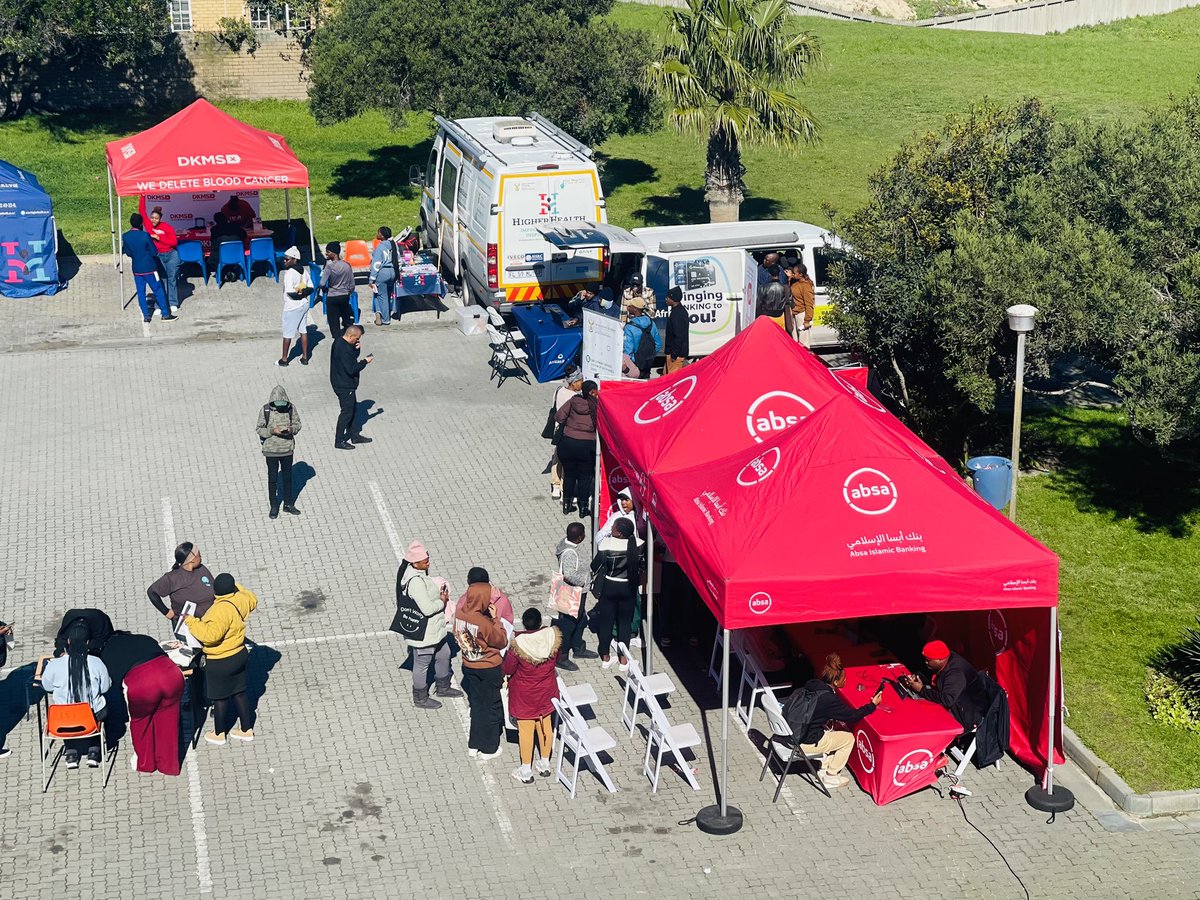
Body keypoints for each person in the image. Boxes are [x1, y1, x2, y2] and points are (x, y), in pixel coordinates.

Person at [184, 573, 258, 746]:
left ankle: (219, 733)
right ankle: (246, 730)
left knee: (220, 698)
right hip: (239, 654)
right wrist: (235, 586)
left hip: (220, 660)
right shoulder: (241, 600)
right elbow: (252, 598)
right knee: (239, 693)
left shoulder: (218, 610)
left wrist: (191, 622)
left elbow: (210, 636)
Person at [100, 631, 184, 775]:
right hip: (172, 676)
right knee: (168, 721)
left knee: (141, 723)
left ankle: (145, 763)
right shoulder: (145, 638)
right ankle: (169, 765)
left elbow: (111, 683)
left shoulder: (108, 651)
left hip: (143, 685)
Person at [796, 653, 882, 790]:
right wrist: (872, 705)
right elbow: (852, 716)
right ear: (835, 682)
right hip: (805, 741)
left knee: (835, 733)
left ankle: (824, 768)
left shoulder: (812, 685)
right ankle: (831, 776)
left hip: (794, 733)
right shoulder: (829, 699)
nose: (845, 681)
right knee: (848, 738)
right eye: (844, 679)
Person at [396, 540, 462, 709]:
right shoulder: (416, 582)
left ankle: (443, 686)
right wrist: (442, 601)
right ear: (415, 563)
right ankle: (420, 697)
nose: (428, 563)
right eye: (425, 561)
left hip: (435, 630)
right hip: (425, 633)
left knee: (444, 653)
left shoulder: (418, 574)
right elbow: (426, 609)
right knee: (422, 664)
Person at [40, 622, 111, 768]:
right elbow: (105, 688)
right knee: (103, 707)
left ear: (68, 642)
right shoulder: (96, 662)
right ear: (87, 643)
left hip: (62, 720)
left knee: (67, 711)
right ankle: (94, 751)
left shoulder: (54, 665)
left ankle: (71, 753)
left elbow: (46, 686)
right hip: (91, 718)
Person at [502, 608, 561, 784]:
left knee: (526, 731)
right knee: (546, 726)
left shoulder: (518, 645)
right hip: (546, 690)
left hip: (524, 695)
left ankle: (526, 769)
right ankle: (544, 763)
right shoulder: (551, 638)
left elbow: (508, 669)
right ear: (540, 623)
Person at [454, 579, 509, 759]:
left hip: (469, 664)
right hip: (489, 667)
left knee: (477, 704)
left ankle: (474, 743)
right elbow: (501, 640)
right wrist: (495, 619)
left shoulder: (460, 614)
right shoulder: (483, 622)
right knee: (492, 706)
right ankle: (490, 747)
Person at [901, 640, 989, 732]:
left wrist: (921, 690)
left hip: (967, 716)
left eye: (928, 660)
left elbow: (947, 700)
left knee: (924, 719)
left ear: (941, 659)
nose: (926, 662)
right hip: (956, 703)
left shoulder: (955, 673)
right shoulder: (945, 660)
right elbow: (935, 678)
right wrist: (918, 677)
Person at [590, 517, 642, 671]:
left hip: (609, 587)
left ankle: (605, 657)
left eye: (613, 527)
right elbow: (643, 566)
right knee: (624, 623)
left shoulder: (607, 544)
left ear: (619, 533)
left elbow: (595, 566)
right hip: (629, 587)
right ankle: (623, 659)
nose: (611, 529)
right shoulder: (639, 545)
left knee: (606, 622)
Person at [554, 522, 597, 670]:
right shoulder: (570, 553)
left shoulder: (568, 546)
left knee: (580, 619)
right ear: (579, 537)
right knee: (568, 624)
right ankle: (562, 656)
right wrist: (585, 581)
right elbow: (569, 574)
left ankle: (578, 647)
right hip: (573, 592)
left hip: (576, 592)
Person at [256, 385, 302, 519]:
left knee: (288, 478)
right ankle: (274, 506)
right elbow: (259, 429)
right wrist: (272, 431)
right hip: (271, 451)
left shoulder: (291, 408)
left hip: (287, 450)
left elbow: (298, 424)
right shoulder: (265, 410)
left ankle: (288, 504)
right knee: (273, 479)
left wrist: (291, 429)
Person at [555, 380, 598, 516]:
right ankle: (583, 508)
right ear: (592, 392)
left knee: (570, 475)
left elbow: (559, 417)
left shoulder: (574, 401)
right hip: (587, 446)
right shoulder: (596, 406)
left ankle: (567, 505)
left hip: (567, 444)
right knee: (585, 477)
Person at [122, 213, 174, 323]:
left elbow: (128, 252)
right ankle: (165, 314)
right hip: (150, 268)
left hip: (137, 269)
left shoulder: (125, 236)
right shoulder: (145, 236)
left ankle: (146, 316)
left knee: (141, 292)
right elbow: (154, 252)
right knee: (158, 290)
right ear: (141, 224)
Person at [147, 542, 216, 624]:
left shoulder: (201, 568)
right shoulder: (172, 578)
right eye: (199, 555)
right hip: (187, 627)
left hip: (210, 622)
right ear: (192, 559)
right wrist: (166, 612)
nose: (201, 557)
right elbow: (152, 592)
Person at [330, 323, 373, 450]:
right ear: (350, 335)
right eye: (357, 338)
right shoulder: (344, 351)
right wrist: (365, 361)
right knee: (346, 413)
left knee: (353, 409)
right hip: (344, 386)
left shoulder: (340, 342)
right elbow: (352, 369)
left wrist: (356, 349)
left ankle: (354, 435)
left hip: (341, 382)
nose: (358, 340)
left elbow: (351, 357)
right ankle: (339, 440)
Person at [548, 367, 582, 501]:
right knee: (568, 461)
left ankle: (555, 486)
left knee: (557, 457)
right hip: (570, 432)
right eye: (580, 380)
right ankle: (564, 489)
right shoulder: (576, 398)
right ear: (573, 383)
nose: (582, 383)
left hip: (558, 431)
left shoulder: (558, 391)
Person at [278, 246, 312, 366]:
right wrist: (303, 294)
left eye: (287, 259)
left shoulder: (289, 274)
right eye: (284, 258)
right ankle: (305, 357)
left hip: (292, 307)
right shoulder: (304, 271)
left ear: (294, 259)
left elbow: (290, 293)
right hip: (304, 305)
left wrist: (298, 295)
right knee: (303, 330)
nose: (284, 261)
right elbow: (311, 288)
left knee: (287, 334)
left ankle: (284, 359)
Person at [146, 207, 181, 314]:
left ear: (160, 218)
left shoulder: (167, 227)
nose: (153, 220)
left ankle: (173, 302)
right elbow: (142, 212)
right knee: (160, 280)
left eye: (156, 218)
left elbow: (174, 242)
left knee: (171, 279)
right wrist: (142, 196)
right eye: (152, 218)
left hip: (171, 255)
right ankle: (160, 304)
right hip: (159, 256)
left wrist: (159, 237)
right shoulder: (148, 226)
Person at [319, 242, 356, 340]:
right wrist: (349, 291)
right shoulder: (347, 265)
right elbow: (352, 283)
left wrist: (324, 288)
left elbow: (322, 283)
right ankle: (349, 335)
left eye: (328, 252)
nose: (326, 254)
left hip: (332, 296)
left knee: (333, 320)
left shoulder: (329, 267)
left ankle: (337, 338)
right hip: (344, 295)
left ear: (334, 253)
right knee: (346, 317)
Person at [622, 297, 662, 379]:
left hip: (636, 363)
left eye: (630, 306)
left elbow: (628, 350)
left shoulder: (629, 327)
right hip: (648, 362)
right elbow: (658, 343)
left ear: (635, 309)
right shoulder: (651, 323)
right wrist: (649, 355)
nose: (628, 307)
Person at [369, 226, 398, 326]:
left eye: (378, 232)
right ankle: (378, 312)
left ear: (382, 235)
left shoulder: (380, 248)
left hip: (382, 273)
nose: (376, 234)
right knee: (382, 294)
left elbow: (376, 265)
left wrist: (371, 279)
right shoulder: (393, 245)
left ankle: (385, 319)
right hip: (392, 272)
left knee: (381, 296)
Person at [209, 212, 248, 282]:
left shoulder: (214, 230)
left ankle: (225, 272)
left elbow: (213, 243)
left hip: (221, 257)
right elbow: (244, 235)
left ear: (216, 221)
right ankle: (229, 271)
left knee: (213, 255)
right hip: (237, 256)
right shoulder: (235, 226)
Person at [663, 286, 689, 373]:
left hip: (675, 356)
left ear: (673, 299)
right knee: (665, 376)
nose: (666, 299)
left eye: (668, 297)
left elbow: (679, 337)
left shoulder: (678, 314)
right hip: (672, 355)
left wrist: (674, 355)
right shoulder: (676, 311)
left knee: (672, 381)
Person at [788, 260, 816, 334]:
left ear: (800, 274)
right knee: (794, 341)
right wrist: (789, 279)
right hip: (794, 313)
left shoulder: (806, 286)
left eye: (794, 273)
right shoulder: (795, 283)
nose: (793, 274)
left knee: (803, 342)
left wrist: (807, 320)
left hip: (802, 315)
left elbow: (809, 304)